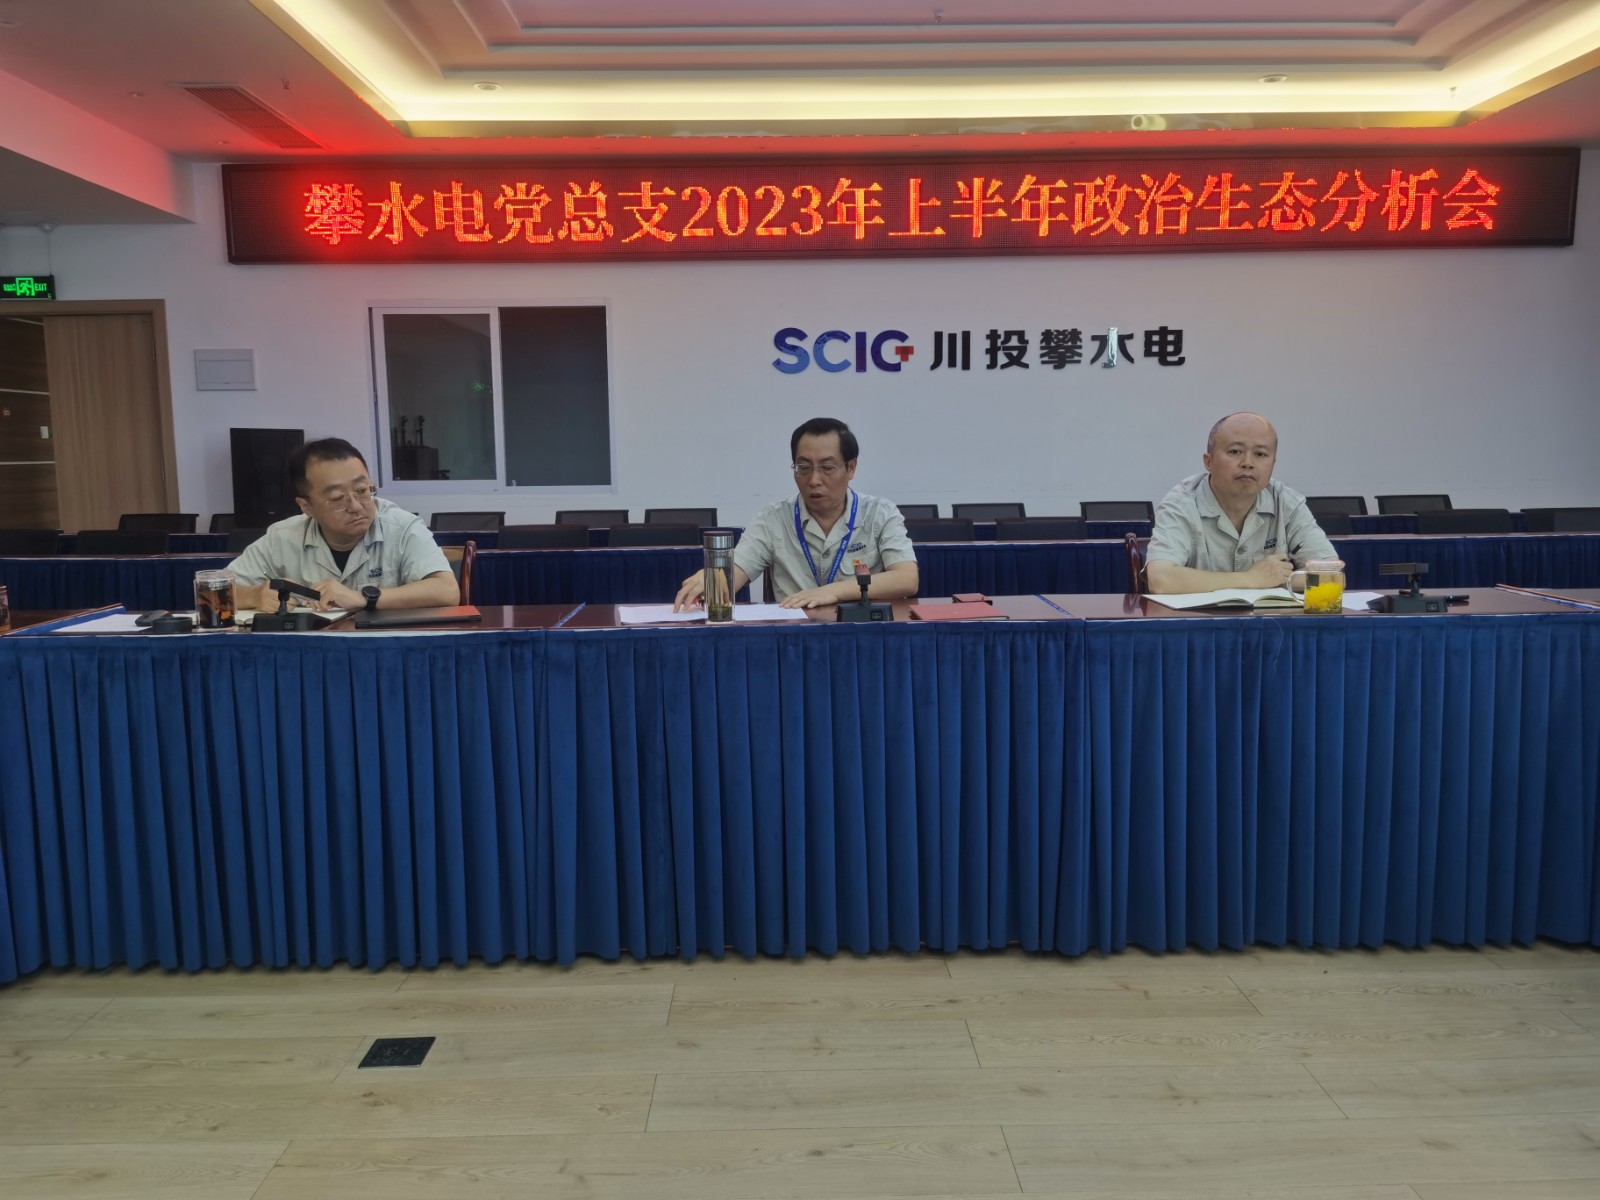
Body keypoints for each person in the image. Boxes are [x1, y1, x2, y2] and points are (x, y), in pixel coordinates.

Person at [673, 417, 920, 610]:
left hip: (861, 634)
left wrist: (833, 591)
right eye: (803, 467)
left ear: (851, 467)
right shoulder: (774, 518)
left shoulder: (879, 513)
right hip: (795, 640)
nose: (814, 480)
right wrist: (714, 579)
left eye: (827, 467)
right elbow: (738, 569)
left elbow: (907, 579)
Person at [229, 437, 460, 613]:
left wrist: (363, 597)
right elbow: (216, 593)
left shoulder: (402, 527)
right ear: (306, 506)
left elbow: (447, 591)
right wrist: (255, 595)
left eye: (362, 490)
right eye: (337, 498)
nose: (356, 506)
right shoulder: (282, 537)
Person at [1145, 411, 1336, 594]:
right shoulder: (1182, 503)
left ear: (1273, 463)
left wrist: (1275, 580)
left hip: (1269, 617)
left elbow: (1332, 576)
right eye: (1235, 451)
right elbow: (1160, 580)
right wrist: (1251, 579)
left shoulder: (1286, 502)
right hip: (1199, 617)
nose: (1248, 463)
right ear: (1209, 461)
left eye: (1260, 454)